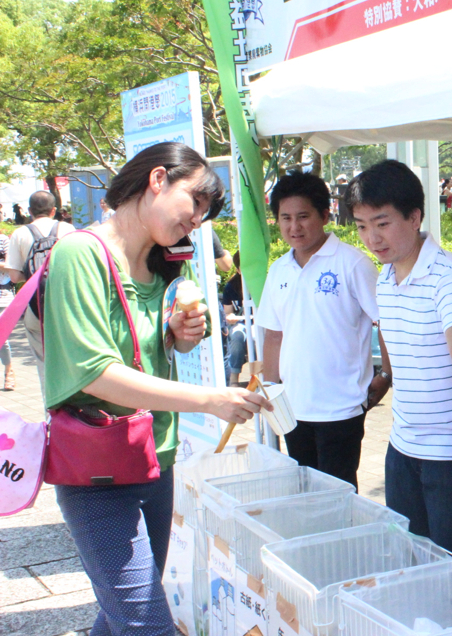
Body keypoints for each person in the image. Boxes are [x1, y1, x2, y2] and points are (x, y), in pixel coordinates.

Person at [42, 142, 270, 636]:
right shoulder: (81, 253)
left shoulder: (163, 263)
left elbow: (152, 351)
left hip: (155, 458)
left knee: (122, 617)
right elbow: (95, 371)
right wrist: (210, 399)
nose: (197, 221)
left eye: (205, 214)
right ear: (158, 179)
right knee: (146, 623)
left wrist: (179, 335)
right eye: (195, 203)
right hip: (98, 472)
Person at [347, 160, 452, 557]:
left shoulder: (449, 275)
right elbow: (393, 342)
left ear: (414, 217)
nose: (372, 238)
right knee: (410, 561)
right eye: (361, 226)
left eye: (382, 223)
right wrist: (384, 377)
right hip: (402, 446)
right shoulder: (385, 276)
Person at [257, 171, 387, 488]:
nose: (294, 227)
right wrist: (270, 388)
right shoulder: (279, 270)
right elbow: (273, 334)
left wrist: (386, 374)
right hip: (293, 407)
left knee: (338, 494)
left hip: (342, 408)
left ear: (325, 215)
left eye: (303, 217)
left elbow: (386, 320)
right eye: (286, 218)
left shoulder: (352, 263)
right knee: (304, 493)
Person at [0, 190, 76, 394]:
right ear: (54, 210)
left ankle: (52, 410)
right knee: (72, 360)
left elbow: (14, 277)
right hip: (69, 306)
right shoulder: (68, 229)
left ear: (30, 211)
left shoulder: (20, 234)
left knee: (44, 366)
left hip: (37, 308)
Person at [222, 252, 247, 386]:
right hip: (240, 323)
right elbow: (228, 313)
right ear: (238, 270)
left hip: (260, 323)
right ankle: (234, 379)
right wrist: (230, 317)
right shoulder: (231, 287)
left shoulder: (263, 283)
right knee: (237, 335)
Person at [0, 233, 15, 390]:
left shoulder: (3, 240)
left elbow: (10, 265)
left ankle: (8, 370)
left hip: (2, 294)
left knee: (1, 335)